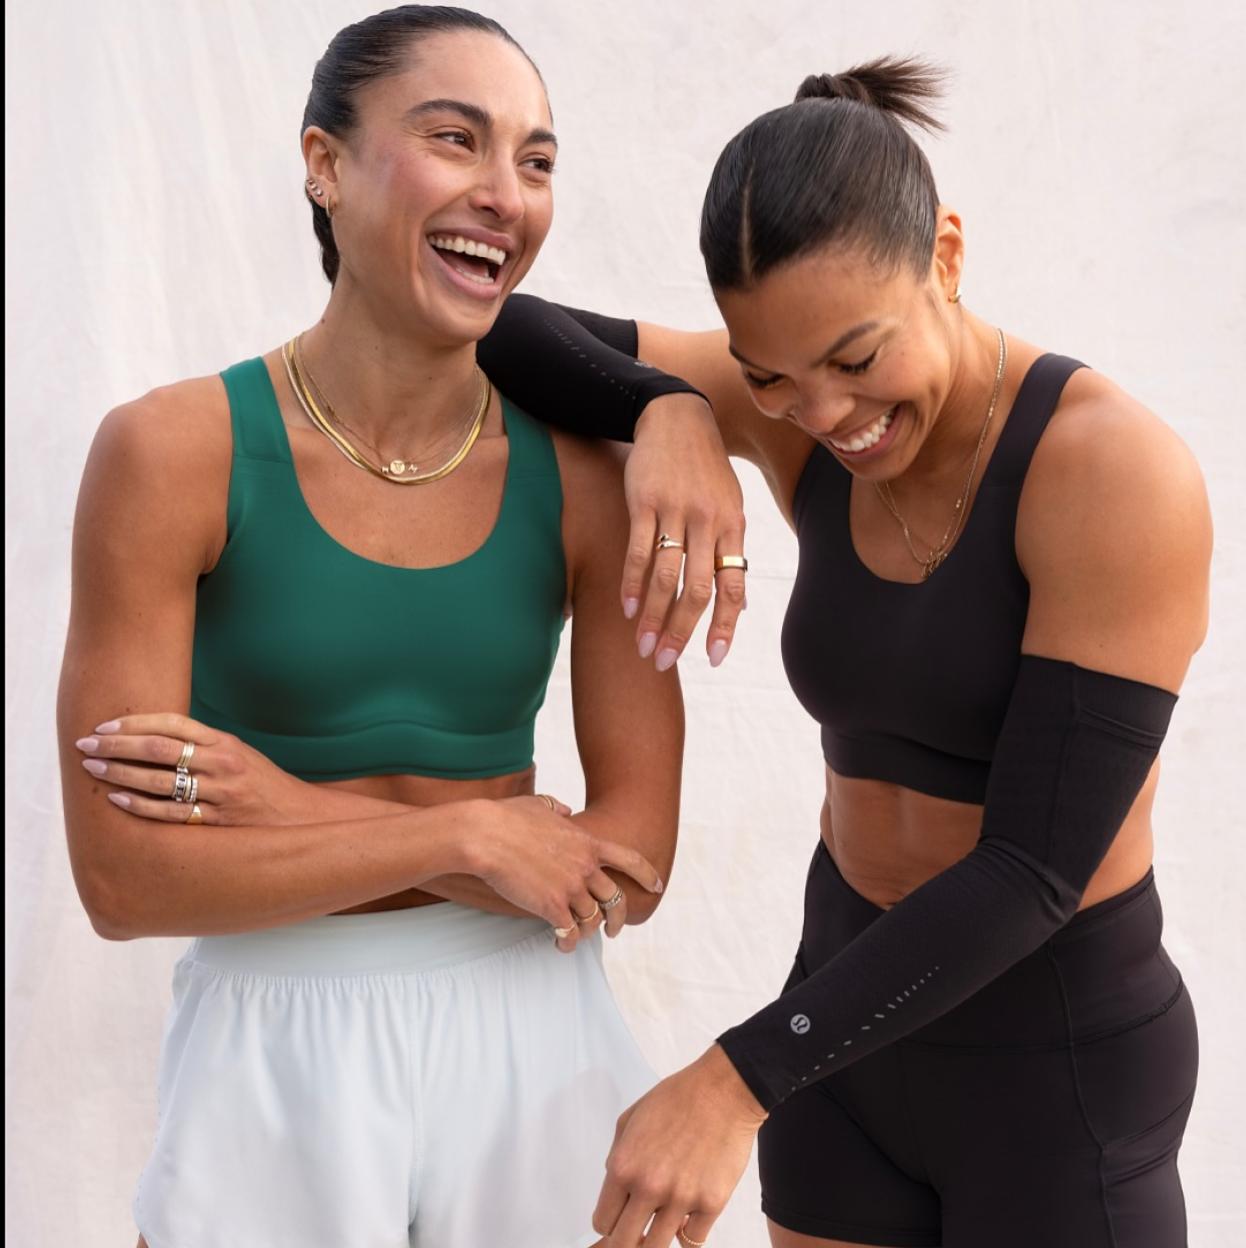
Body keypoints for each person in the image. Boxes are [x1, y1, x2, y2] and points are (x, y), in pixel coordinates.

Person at [477, 58, 1211, 1248]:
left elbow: (1032, 868)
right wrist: (667, 408)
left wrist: (736, 1079)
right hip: (847, 1037)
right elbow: (509, 330)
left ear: (948, 257)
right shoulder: (797, 416)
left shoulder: (1107, 470)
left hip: (1050, 1059)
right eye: (766, 376)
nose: (820, 416)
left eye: (856, 361)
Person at [55, 8, 682, 1247]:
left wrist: (281, 806)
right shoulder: (173, 453)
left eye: (538, 160)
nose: (506, 193)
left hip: (533, 1030)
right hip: (270, 1034)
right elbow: (123, 881)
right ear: (323, 163)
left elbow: (627, 872)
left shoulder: (589, 480)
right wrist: (474, 833)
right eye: (456, 139)